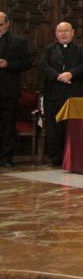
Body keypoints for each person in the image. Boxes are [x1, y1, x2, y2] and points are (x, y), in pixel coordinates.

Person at [40, 22, 83, 166]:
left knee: (71, 127)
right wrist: (58, 76)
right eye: (60, 31)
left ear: (73, 32)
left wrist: (71, 74)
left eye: (66, 31)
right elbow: (43, 65)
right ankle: (56, 158)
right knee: (53, 127)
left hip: (73, 93)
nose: (63, 34)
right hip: (53, 93)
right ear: (56, 34)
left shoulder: (81, 50)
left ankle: (72, 157)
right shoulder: (49, 49)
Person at [0, 12, 31, 167]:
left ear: (7, 24)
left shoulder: (18, 42)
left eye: (0, 25)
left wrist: (8, 64)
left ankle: (6, 158)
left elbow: (27, 63)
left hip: (8, 90)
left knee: (8, 126)